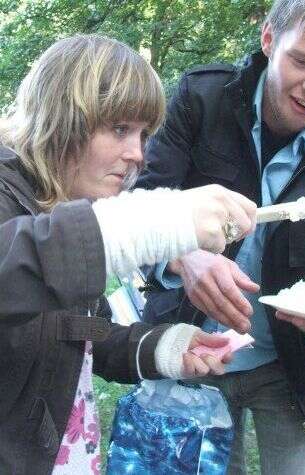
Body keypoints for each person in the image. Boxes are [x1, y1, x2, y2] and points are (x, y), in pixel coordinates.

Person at [138, 0, 305, 473]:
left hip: (289, 367)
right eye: (303, 62)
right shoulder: (202, 98)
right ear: (269, 39)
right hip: (189, 348)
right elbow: (144, 201)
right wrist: (183, 255)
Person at [0, 34, 257, 475]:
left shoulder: (61, 206)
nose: (137, 154)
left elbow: (82, 335)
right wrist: (149, 225)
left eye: (143, 134)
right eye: (119, 129)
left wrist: (165, 348)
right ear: (63, 117)